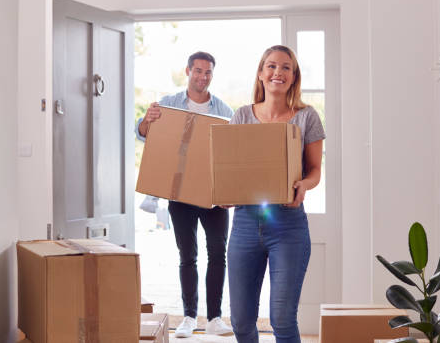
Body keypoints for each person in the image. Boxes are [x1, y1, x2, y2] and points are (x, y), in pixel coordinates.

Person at [227, 45, 325, 343]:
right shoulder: (242, 116)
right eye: (271, 66)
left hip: (288, 225)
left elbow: (315, 171)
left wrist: (303, 186)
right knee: (241, 321)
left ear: (294, 77)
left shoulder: (307, 118)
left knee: (282, 319)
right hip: (245, 223)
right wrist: (226, 192)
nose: (277, 73)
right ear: (260, 73)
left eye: (285, 67)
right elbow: (229, 170)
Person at [135, 51, 234, 337]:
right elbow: (142, 133)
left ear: (212, 75)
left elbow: (230, 156)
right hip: (179, 195)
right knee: (187, 255)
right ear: (188, 71)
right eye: (198, 71)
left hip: (214, 196)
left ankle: (214, 318)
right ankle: (189, 317)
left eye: (208, 72)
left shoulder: (225, 110)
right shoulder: (168, 105)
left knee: (218, 254)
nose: (203, 76)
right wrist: (147, 118)